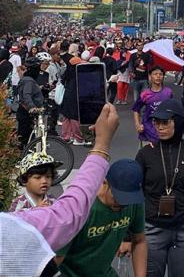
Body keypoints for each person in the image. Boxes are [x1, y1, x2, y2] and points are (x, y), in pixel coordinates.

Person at [3, 103, 120, 277]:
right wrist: (101, 145)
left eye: (48, 176)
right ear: (24, 180)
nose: (44, 181)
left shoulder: (52, 201)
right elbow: (69, 214)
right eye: (37, 177)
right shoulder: (18, 208)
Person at [136, 99, 184, 277]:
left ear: (178, 121)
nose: (159, 127)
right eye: (156, 122)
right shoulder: (145, 154)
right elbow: (134, 196)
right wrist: (129, 236)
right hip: (152, 230)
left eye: (165, 122)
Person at [54, 159, 147, 277]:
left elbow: (139, 241)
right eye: (118, 197)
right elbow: (57, 257)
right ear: (104, 182)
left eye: (127, 199)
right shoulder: (81, 207)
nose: (122, 204)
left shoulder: (134, 203)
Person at [132, 65, 173, 146]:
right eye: (155, 74)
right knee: (146, 153)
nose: (158, 76)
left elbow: (172, 109)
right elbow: (136, 109)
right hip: (148, 131)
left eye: (160, 74)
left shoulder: (168, 92)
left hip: (164, 131)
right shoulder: (145, 94)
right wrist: (137, 124)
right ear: (150, 76)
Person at [17, 56, 47, 148]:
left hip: (24, 111)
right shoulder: (29, 81)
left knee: (25, 137)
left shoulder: (27, 79)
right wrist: (32, 107)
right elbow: (27, 95)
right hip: (27, 111)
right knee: (25, 137)